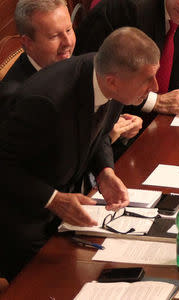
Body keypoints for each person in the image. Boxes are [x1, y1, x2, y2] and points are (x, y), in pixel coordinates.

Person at [0, 26, 160, 281]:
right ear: (112, 81)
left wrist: (105, 172)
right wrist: (53, 199)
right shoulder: (45, 101)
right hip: (22, 220)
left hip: (69, 207)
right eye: (147, 79)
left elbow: (97, 133)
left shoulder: (112, 78)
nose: (155, 86)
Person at [3, 0, 143, 153]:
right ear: (28, 42)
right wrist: (106, 136)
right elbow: (52, 166)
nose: (68, 42)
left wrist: (118, 123)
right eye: (54, 36)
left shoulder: (70, 62)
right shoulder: (17, 98)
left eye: (69, 30)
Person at [74, 0, 179, 124]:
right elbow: (93, 77)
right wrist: (155, 101)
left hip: (157, 123)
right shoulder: (126, 8)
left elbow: (176, 84)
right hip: (104, 121)